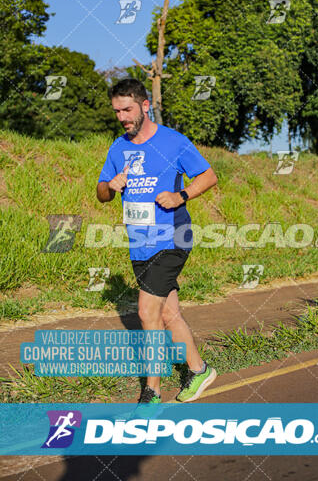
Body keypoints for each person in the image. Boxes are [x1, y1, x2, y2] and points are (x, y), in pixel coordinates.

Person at [97, 78, 218, 404]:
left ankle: (151, 391)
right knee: (168, 314)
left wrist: (182, 195)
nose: (122, 117)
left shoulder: (173, 142)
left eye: (128, 109)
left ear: (145, 106)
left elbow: (208, 176)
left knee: (147, 311)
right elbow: (101, 194)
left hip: (173, 236)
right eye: (117, 111)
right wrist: (112, 184)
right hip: (140, 242)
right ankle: (199, 369)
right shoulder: (118, 148)